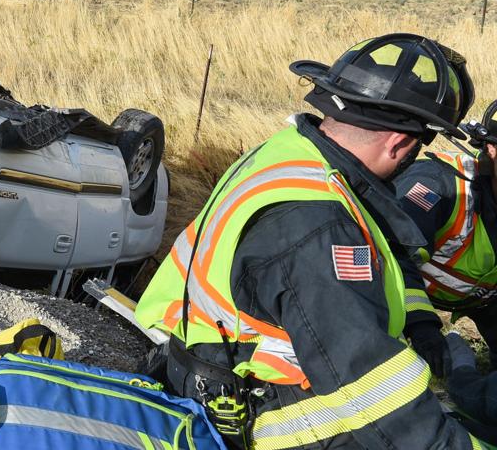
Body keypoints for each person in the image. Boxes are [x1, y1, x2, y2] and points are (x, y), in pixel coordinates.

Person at [135, 33, 485, 450]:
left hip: (203, 369)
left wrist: (420, 324)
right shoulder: (319, 226)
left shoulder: (290, 154)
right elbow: (377, 397)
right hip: (264, 419)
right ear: (401, 145)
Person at [394, 99, 497, 362]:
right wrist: (420, 324)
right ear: (492, 149)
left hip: (484, 300)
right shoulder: (436, 185)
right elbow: (392, 260)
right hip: (401, 293)